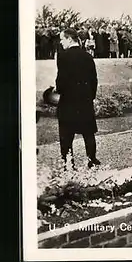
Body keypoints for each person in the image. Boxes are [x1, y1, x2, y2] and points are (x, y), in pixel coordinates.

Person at [55, 28, 100, 170]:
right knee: (88, 133)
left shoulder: (63, 56)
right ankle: (92, 160)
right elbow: (94, 80)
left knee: (66, 135)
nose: (61, 42)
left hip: (68, 102)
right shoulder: (88, 56)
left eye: (62, 39)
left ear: (69, 39)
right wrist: (90, 97)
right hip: (85, 101)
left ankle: (69, 164)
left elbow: (61, 82)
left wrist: (58, 90)